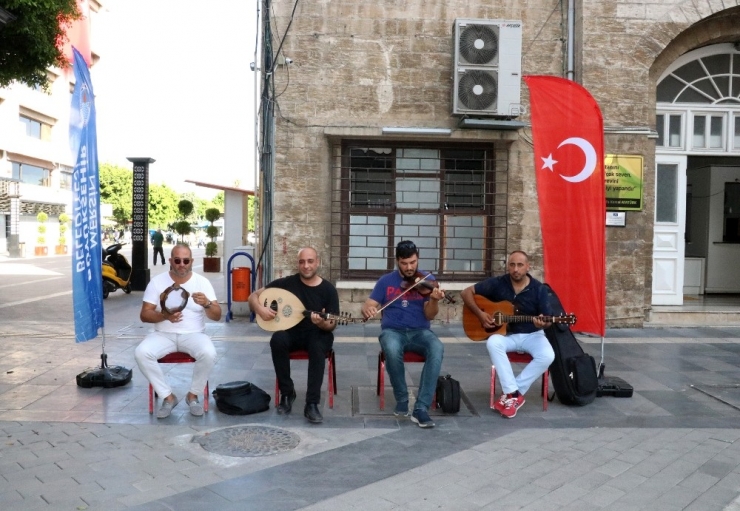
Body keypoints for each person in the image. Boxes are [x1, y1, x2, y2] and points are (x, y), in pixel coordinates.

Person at [248, 247, 339, 424]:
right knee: (278, 340)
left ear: (317, 262)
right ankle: (287, 393)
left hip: (318, 333)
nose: (306, 266)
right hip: (292, 332)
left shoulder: (328, 290)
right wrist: (260, 308)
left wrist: (321, 323)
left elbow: (332, 323)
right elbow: (253, 296)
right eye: (302, 262)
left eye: (310, 261)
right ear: (297, 264)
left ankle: (312, 403)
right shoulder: (286, 284)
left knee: (317, 346)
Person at [460, 250, 554, 419]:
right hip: (506, 335)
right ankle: (513, 394)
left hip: (532, 335)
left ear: (527, 267)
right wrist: (481, 315)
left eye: (520, 265)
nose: (515, 269)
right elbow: (465, 292)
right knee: (493, 342)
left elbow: (547, 320)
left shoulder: (539, 289)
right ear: (508, 266)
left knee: (548, 355)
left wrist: (543, 322)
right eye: (512, 265)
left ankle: (512, 394)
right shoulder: (498, 283)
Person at [361, 240, 445, 429]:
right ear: (397, 260)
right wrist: (368, 310)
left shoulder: (427, 281)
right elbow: (368, 304)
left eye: (413, 262)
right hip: (393, 331)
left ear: (418, 258)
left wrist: (433, 301)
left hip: (420, 332)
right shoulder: (385, 281)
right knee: (391, 347)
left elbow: (430, 315)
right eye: (405, 263)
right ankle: (402, 398)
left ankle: (421, 408)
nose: (409, 268)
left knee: (437, 347)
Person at [134, 244, 222, 418]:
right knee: (141, 353)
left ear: (191, 261)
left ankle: (193, 395)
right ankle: (168, 396)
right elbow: (144, 315)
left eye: (186, 260)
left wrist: (207, 304)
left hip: (194, 334)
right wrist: (164, 316)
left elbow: (217, 315)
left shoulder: (202, 282)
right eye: (177, 260)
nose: (182, 264)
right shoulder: (158, 281)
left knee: (209, 353)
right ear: (170, 261)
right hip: (163, 334)